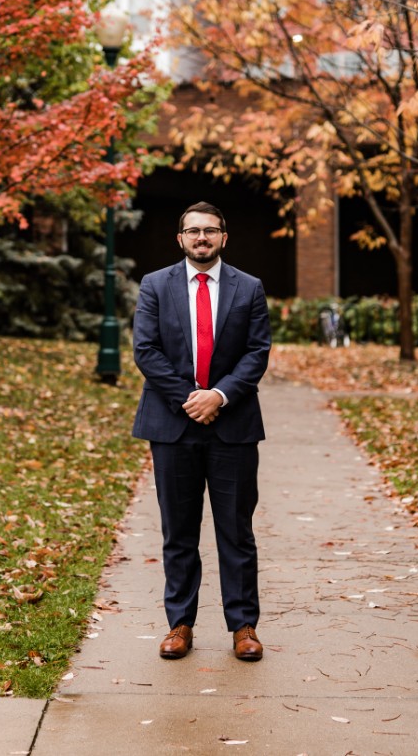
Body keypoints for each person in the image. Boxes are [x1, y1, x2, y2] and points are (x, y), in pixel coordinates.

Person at [131, 201, 272, 662]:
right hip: (173, 426)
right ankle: (180, 624)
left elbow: (257, 352)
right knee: (179, 532)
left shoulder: (249, 288)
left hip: (233, 426)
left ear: (224, 238)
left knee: (236, 531)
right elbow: (146, 351)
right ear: (181, 239)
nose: (202, 238)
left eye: (210, 231)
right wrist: (192, 397)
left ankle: (243, 627)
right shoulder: (155, 285)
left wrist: (219, 396)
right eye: (193, 231)